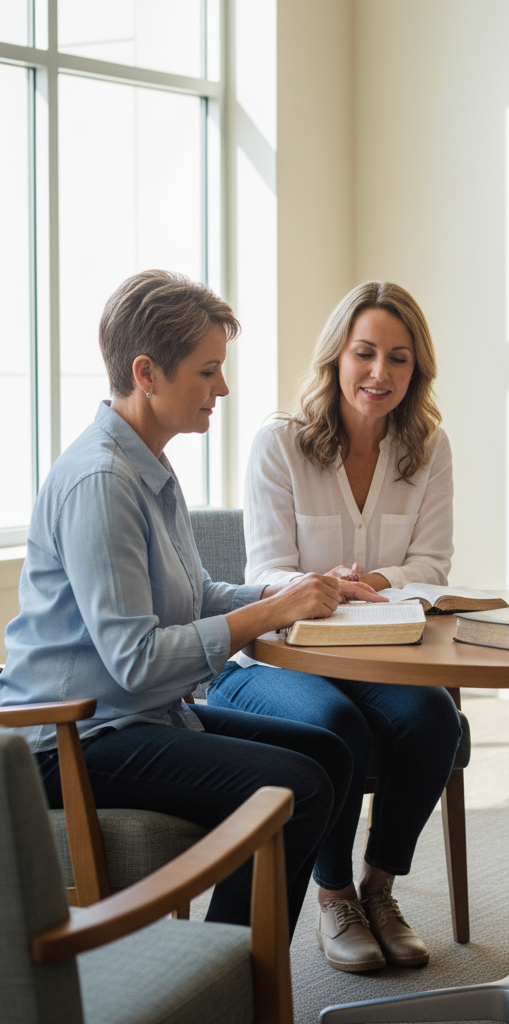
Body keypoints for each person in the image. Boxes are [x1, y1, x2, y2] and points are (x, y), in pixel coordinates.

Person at [0, 269, 372, 937]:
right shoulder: (102, 481)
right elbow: (136, 661)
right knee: (300, 783)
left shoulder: (148, 461)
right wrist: (269, 614)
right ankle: (228, 972)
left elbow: (194, 595)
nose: (222, 389)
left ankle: (242, 976)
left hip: (131, 718)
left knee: (333, 757)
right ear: (147, 373)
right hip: (70, 742)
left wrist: (291, 592)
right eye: (207, 372)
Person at [207, 281, 462, 973]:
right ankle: (335, 895)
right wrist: (326, 588)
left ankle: (381, 890)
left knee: (435, 718)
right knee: (332, 725)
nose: (381, 374)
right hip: (275, 663)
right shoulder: (280, 443)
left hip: (378, 659)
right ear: (336, 358)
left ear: (417, 370)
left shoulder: (428, 448)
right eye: (365, 353)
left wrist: (370, 583)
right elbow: (269, 571)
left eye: (399, 358)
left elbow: (432, 566)